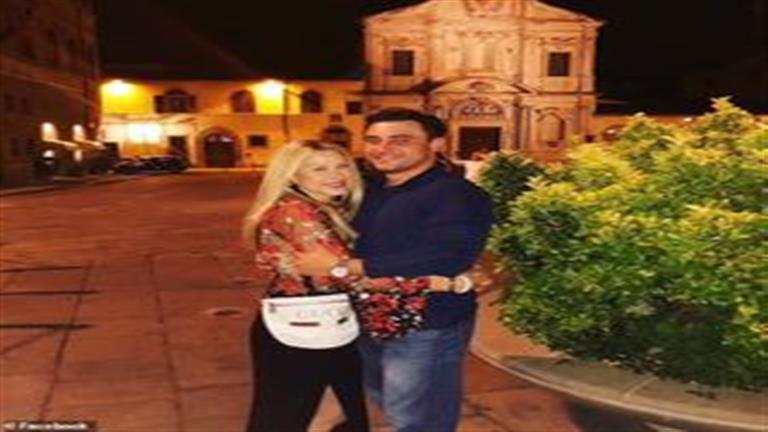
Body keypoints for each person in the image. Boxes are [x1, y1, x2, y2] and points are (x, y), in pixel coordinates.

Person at [294, 108, 495, 432]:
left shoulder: (455, 194)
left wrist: (347, 267)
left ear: (436, 144)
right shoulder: (367, 189)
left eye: (400, 140)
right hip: (369, 317)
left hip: (425, 323)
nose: (382, 148)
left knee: (417, 418)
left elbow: (448, 255)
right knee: (387, 401)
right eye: (374, 140)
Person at [242, 140, 461, 432]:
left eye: (342, 166)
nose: (336, 175)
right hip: (303, 329)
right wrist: (436, 282)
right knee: (296, 416)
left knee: (326, 413)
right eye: (319, 169)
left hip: (324, 323)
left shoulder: (321, 207)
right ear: (292, 175)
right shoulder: (296, 211)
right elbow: (347, 276)